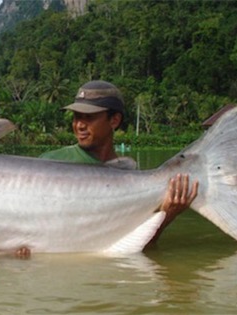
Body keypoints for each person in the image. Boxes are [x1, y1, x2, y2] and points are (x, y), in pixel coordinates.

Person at [39, 80, 199, 247]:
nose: (79, 125)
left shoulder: (133, 181)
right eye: (77, 117)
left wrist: (167, 215)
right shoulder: (50, 162)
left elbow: (139, 248)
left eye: (89, 117)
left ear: (114, 120)